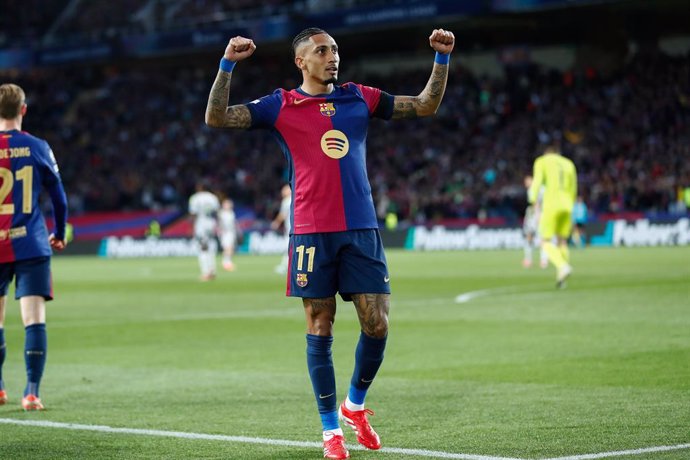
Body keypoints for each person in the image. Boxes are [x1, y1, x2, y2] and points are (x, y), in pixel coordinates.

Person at [205, 27, 455, 459]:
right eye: (321, 51)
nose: (332, 56)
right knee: (320, 325)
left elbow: (426, 104)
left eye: (335, 49)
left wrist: (442, 58)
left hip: (360, 227)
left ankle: (354, 406)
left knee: (377, 322)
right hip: (311, 231)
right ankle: (330, 432)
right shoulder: (281, 105)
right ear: (301, 61)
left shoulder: (360, 97)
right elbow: (217, 117)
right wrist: (227, 64)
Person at [0, 83, 68, 411]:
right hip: (31, 244)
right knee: (34, 320)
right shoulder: (38, 146)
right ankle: (31, 392)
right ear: (23, 109)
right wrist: (59, 231)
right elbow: (59, 196)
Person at [528, 140, 577, 288]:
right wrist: (571, 203)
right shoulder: (569, 164)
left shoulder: (542, 161)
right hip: (567, 205)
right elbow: (574, 187)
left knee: (545, 241)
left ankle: (562, 266)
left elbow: (537, 182)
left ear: (546, 153)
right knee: (562, 241)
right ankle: (561, 279)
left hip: (551, 205)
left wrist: (532, 198)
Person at [188, 181, 220, 281]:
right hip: (211, 223)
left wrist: (192, 226)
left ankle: (206, 272)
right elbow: (216, 212)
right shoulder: (213, 197)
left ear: (200, 187)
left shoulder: (195, 198)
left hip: (201, 224)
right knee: (210, 246)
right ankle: (212, 270)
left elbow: (193, 213)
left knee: (202, 248)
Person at [521, 175, 548, 269]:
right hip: (538, 214)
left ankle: (540, 260)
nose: (526, 184)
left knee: (537, 237)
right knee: (533, 237)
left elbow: (536, 203)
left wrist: (537, 216)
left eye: (527, 181)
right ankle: (536, 260)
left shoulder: (535, 189)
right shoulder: (542, 188)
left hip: (536, 215)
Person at [270, 184, 292, 275]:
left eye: (284, 190)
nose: (282, 192)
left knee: (288, 248)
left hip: (290, 229)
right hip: (295, 228)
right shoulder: (295, 199)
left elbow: (283, 214)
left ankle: (285, 267)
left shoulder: (287, 200)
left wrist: (276, 223)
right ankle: (287, 266)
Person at [218, 197, 237, 271]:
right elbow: (220, 224)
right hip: (225, 233)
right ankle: (226, 263)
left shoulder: (231, 213)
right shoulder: (222, 213)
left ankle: (228, 262)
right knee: (227, 248)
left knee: (231, 248)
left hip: (231, 232)